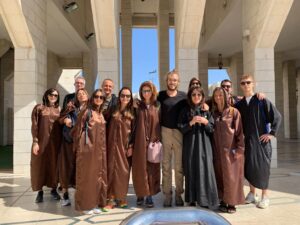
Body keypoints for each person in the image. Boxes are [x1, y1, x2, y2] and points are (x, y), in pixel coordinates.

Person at [235, 74, 282, 209]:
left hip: (261, 143)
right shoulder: (240, 104)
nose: (246, 85)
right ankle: (252, 193)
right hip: (247, 142)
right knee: (249, 168)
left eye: (248, 82)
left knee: (263, 169)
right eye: (243, 83)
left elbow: (277, 116)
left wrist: (271, 133)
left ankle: (265, 196)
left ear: (254, 83)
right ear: (240, 85)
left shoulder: (261, 100)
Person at [177, 86, 219, 209]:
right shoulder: (185, 110)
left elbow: (212, 129)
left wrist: (206, 122)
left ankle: (205, 200)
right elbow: (180, 127)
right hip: (190, 146)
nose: (196, 97)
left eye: (198, 95)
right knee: (191, 169)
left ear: (202, 97)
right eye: (193, 95)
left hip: (205, 146)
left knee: (205, 170)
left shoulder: (207, 111)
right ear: (190, 97)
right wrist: (191, 122)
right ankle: (191, 199)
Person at [72, 89, 107, 215]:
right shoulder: (86, 111)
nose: (98, 99)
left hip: (99, 151)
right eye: (96, 96)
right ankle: (84, 205)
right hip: (87, 150)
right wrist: (80, 148)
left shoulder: (100, 113)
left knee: (96, 178)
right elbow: (77, 130)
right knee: (86, 178)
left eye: (101, 97)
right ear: (92, 98)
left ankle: (93, 203)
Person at [211, 87, 245, 213]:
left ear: (225, 96)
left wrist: (240, 150)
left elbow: (240, 133)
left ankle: (232, 203)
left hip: (231, 151)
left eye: (220, 95)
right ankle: (223, 201)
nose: (218, 97)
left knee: (232, 178)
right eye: (216, 95)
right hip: (218, 152)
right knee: (220, 176)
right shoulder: (214, 114)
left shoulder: (233, 112)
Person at [158, 69, 186, 207]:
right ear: (166, 81)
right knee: (166, 166)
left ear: (178, 82)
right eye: (170, 79)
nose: (172, 82)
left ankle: (179, 195)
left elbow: (196, 103)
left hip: (179, 133)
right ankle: (167, 195)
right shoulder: (161, 95)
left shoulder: (183, 96)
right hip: (165, 132)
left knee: (179, 166)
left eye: (175, 80)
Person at [132, 81, 161, 208]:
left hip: (153, 142)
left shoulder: (158, 106)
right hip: (139, 142)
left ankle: (149, 195)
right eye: (144, 91)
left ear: (152, 91)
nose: (146, 93)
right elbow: (132, 125)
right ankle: (140, 194)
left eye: (148, 90)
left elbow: (161, 123)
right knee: (139, 169)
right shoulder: (138, 106)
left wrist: (159, 139)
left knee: (152, 169)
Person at [58, 88, 89, 206]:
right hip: (68, 142)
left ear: (87, 95)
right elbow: (60, 119)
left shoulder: (90, 109)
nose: (81, 95)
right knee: (66, 167)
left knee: (80, 169)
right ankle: (65, 195)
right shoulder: (71, 107)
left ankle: (80, 196)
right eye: (79, 94)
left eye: (83, 93)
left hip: (83, 144)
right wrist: (65, 119)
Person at [31, 88, 61, 203]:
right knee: (39, 166)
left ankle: (54, 190)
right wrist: (35, 141)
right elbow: (35, 126)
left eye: (56, 95)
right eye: (51, 94)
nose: (53, 97)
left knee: (54, 166)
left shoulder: (59, 110)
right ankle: (40, 191)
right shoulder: (39, 108)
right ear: (46, 95)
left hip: (55, 144)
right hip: (41, 143)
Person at [106, 87, 135, 209]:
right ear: (119, 96)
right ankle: (110, 199)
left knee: (123, 172)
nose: (125, 98)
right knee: (111, 171)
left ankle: (122, 197)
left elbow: (134, 130)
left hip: (124, 146)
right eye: (123, 95)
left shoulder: (133, 112)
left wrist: (131, 145)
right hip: (111, 145)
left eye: (128, 96)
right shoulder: (112, 109)